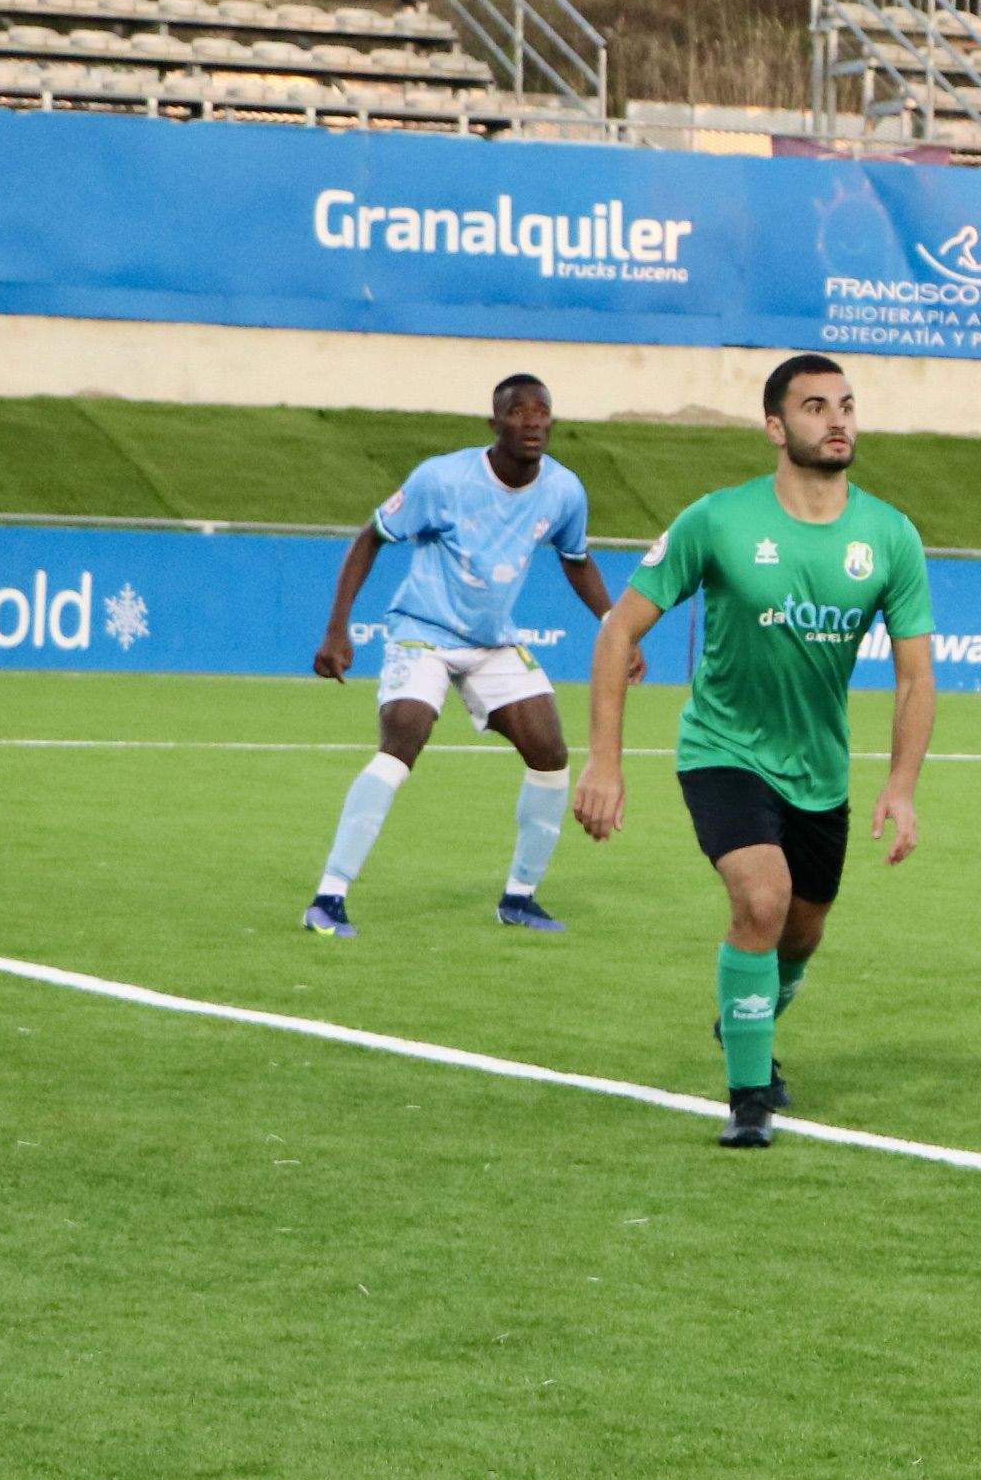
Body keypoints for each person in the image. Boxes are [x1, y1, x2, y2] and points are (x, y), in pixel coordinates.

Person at [574, 355, 937, 1149]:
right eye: (814, 407)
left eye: (845, 405)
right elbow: (618, 631)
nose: (837, 420)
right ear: (775, 427)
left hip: (820, 771)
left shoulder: (890, 536)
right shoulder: (717, 520)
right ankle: (749, 1096)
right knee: (762, 903)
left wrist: (901, 787)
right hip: (724, 750)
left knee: (799, 937)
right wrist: (605, 761)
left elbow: (915, 677)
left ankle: (745, 1014)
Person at [303, 374, 619, 936]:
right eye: (518, 412)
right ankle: (328, 900)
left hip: (492, 641)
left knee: (550, 751)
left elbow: (575, 558)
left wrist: (615, 626)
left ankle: (519, 899)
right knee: (403, 739)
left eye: (542, 411)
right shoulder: (442, 478)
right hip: (422, 631)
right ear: (493, 423)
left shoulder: (565, 490)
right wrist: (337, 630)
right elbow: (370, 537)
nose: (533, 421)